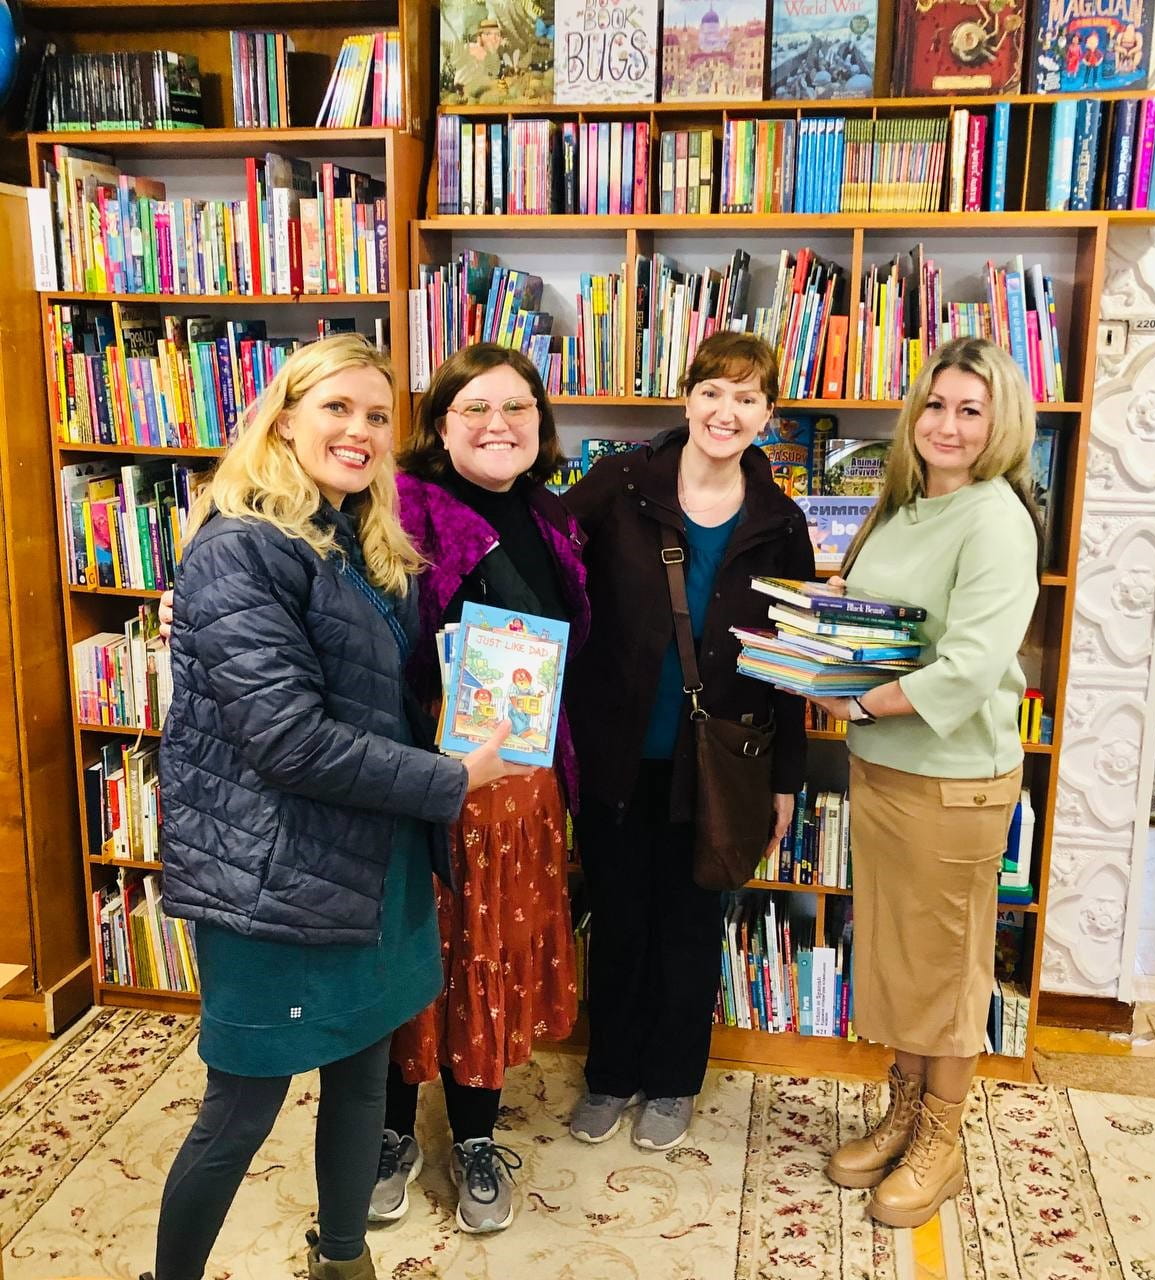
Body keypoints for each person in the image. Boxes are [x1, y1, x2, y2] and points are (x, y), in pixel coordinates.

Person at [145, 335, 527, 1280]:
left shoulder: (351, 535)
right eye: (336, 409)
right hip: (277, 877)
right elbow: (289, 742)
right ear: (283, 418)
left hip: (368, 863)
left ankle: (343, 1260)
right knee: (239, 1111)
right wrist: (452, 779)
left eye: (374, 416)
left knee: (361, 1079)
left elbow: (368, 690)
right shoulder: (242, 547)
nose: (358, 431)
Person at [804, 336, 1041, 1229]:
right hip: (887, 773)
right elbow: (877, 620)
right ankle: (903, 1113)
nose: (947, 424)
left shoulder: (994, 518)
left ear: (999, 424)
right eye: (935, 405)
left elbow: (971, 665)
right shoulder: (902, 506)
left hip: (952, 780)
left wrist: (858, 706)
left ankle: (940, 1144)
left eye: (969, 410)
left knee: (945, 970)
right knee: (903, 963)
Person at [561, 330, 816, 1151]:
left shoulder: (781, 522)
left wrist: (785, 780)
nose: (726, 411)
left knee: (692, 922)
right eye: (713, 391)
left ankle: (672, 1081)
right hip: (616, 754)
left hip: (724, 764)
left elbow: (792, 660)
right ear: (686, 397)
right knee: (620, 917)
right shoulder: (618, 483)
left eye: (747, 398)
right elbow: (543, 563)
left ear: (767, 416)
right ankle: (610, 1075)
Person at [379, 343, 589, 1234]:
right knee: (404, 959)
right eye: (475, 409)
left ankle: (472, 1138)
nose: (497, 425)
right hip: (418, 776)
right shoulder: (392, 503)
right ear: (441, 423)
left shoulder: (554, 517)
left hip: (522, 788)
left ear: (540, 427)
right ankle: (389, 1134)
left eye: (517, 409)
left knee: (488, 958)